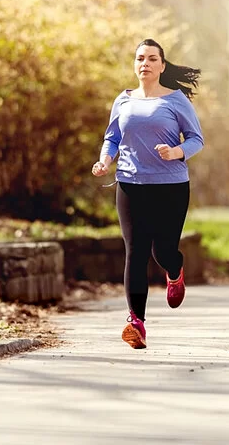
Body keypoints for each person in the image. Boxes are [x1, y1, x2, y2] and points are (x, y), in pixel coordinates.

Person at [91, 39, 204, 349]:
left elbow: (197, 139)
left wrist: (176, 151)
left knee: (163, 251)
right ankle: (136, 323)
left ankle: (175, 269)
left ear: (162, 66)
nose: (145, 63)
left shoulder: (176, 100)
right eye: (140, 58)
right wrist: (105, 160)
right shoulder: (123, 100)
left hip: (171, 186)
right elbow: (111, 138)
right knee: (135, 252)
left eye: (152, 58)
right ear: (134, 64)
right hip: (130, 184)